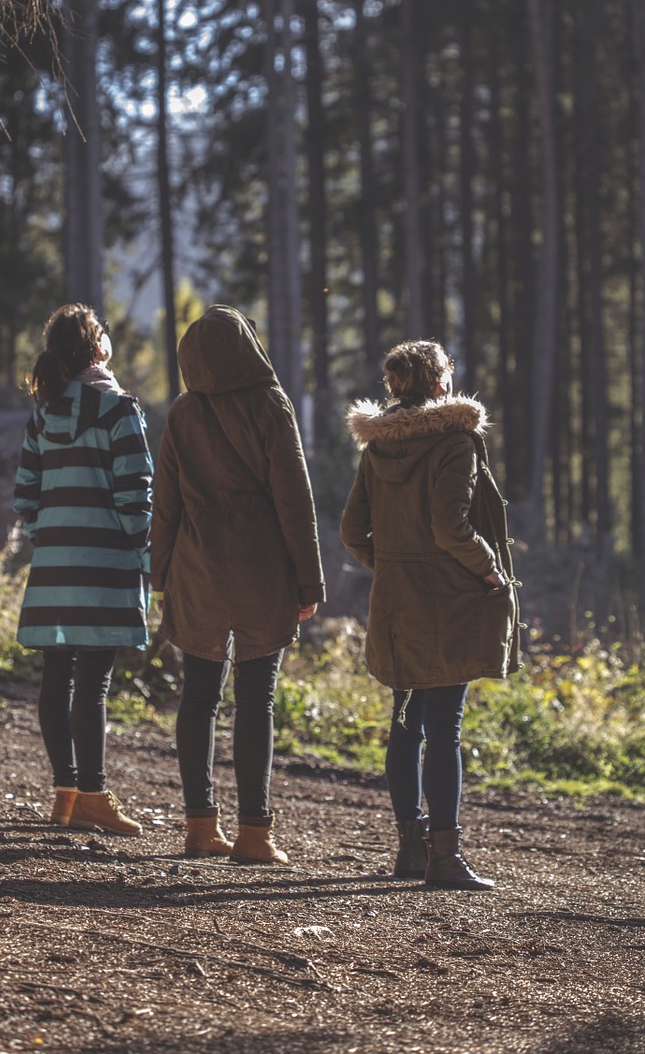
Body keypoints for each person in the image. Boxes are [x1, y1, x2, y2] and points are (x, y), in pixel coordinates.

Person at [340, 339, 520, 891]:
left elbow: (351, 532)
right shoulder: (455, 442)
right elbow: (451, 527)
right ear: (441, 382)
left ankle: (410, 851)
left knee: (405, 722)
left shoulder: (377, 448)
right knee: (445, 730)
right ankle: (445, 858)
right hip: (447, 601)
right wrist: (490, 572)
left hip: (396, 602)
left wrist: (391, 564)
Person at [150, 305, 325, 864]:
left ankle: (200, 827)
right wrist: (309, 580)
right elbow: (295, 501)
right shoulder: (270, 404)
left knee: (198, 696)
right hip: (261, 565)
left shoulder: (182, 412)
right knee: (256, 696)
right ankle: (254, 835)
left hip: (197, 563)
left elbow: (167, 500)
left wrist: (160, 575)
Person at [14, 303, 154, 837]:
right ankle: (92, 795)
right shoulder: (119, 410)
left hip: (54, 567)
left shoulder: (43, 413)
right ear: (98, 347)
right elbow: (135, 498)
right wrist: (150, 563)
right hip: (106, 567)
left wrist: (48, 542)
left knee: (57, 674)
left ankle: (65, 793)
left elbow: (25, 495)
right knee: (93, 681)